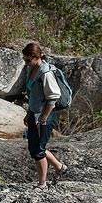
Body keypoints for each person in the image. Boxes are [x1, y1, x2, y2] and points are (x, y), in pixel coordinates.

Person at [20, 42, 67, 188]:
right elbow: (33, 95)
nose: (26, 63)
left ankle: (42, 184)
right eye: (24, 60)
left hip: (45, 115)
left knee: (38, 150)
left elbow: (53, 98)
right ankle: (60, 168)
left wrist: (44, 118)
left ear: (37, 57)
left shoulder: (45, 73)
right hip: (35, 114)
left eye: (28, 60)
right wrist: (29, 113)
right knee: (35, 147)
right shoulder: (32, 69)